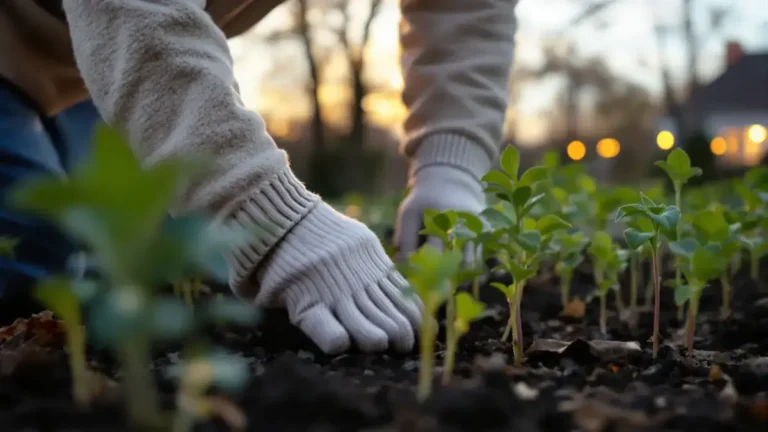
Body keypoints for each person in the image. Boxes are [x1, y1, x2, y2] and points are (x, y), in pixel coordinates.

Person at [0, 0, 517, 354]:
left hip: (91, 56)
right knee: (37, 254)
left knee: (156, 253)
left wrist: (451, 165)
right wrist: (269, 216)